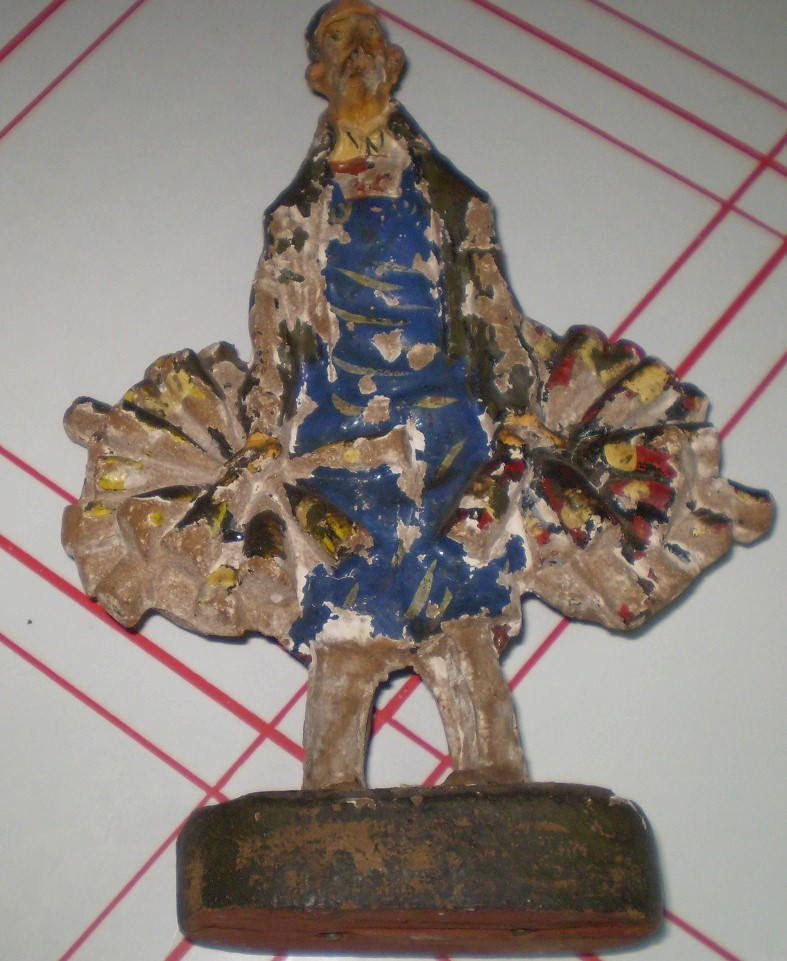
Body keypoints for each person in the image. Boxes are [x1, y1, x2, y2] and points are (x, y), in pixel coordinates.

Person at [63, 0, 773, 791]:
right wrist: (264, 428)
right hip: (335, 436)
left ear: (391, 62)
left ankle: (490, 770)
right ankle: (329, 789)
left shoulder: (450, 196)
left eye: (369, 38)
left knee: (456, 600)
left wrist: (517, 404)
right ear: (317, 73)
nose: (358, 51)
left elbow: (489, 305)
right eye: (338, 40)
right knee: (344, 615)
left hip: (448, 429)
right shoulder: (296, 213)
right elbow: (277, 331)